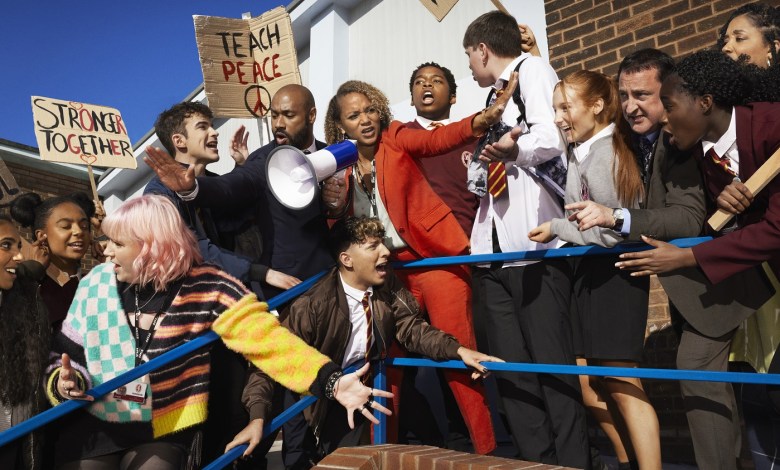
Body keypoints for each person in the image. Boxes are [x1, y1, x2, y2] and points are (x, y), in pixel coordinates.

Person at [43, 195, 390, 470]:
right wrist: (63, 381)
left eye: (117, 243)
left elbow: (268, 340)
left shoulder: (209, 285)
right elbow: (63, 357)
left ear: (150, 246)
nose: (105, 250)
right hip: (95, 421)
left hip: (164, 426)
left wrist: (330, 380)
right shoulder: (95, 284)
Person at [320, 73, 515, 454]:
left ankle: (490, 452)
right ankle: (383, 452)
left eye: (370, 109)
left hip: (435, 260)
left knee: (462, 360)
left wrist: (484, 119)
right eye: (354, 115)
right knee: (386, 367)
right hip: (387, 277)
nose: (365, 119)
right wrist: (331, 203)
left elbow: (437, 138)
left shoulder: (396, 137)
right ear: (339, 125)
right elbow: (337, 229)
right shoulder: (335, 167)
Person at [616, 50, 779, 469]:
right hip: (752, 272)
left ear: (704, 102)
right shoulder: (705, 152)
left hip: (745, 268)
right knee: (703, 371)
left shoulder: (771, 124)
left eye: (667, 105)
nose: (662, 117)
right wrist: (730, 204)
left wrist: (688, 257)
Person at [229, 216, 503, 461]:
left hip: (375, 380)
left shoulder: (387, 283)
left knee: (426, 442)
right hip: (334, 395)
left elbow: (411, 328)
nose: (385, 252)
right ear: (346, 259)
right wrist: (257, 418)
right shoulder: (312, 305)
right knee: (345, 457)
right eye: (373, 247)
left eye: (382, 243)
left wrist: (459, 351)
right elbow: (270, 360)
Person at [459, 10, 589, 468]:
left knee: (552, 369)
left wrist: (516, 150)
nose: (469, 68)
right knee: (511, 371)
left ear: (482, 50)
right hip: (492, 248)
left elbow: (550, 136)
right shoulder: (492, 99)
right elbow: (485, 167)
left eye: (468, 58)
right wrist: (481, 164)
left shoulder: (532, 70)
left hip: (535, 243)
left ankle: (573, 461)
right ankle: (535, 462)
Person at [529, 70, 659, 470]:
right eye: (555, 108)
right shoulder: (581, 151)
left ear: (598, 107)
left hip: (616, 276)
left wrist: (555, 228)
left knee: (622, 384)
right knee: (588, 385)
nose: (558, 117)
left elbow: (612, 230)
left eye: (566, 107)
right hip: (588, 274)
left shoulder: (606, 153)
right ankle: (625, 463)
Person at [144, 84, 332, 301]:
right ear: (179, 141)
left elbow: (236, 217)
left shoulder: (215, 182)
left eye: (212, 126)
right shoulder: (159, 192)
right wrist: (262, 273)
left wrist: (242, 168)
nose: (214, 133)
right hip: (194, 302)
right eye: (203, 127)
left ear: (311, 115)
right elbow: (193, 248)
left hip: (234, 296)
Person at [0, 215, 50, 469]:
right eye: (6, 245)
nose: (18, 256)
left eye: (18, 247)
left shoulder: (28, 307)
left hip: (16, 446)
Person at [10, 192, 96, 331]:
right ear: (41, 235)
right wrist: (31, 271)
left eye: (84, 226)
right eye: (65, 226)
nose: (78, 231)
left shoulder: (96, 282)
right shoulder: (20, 281)